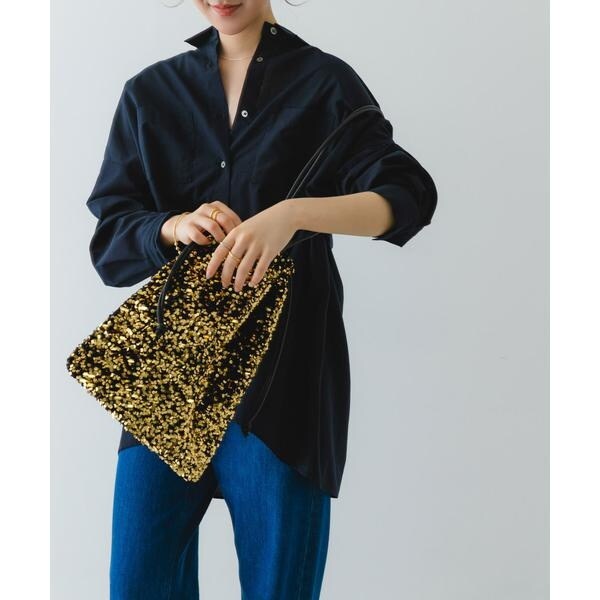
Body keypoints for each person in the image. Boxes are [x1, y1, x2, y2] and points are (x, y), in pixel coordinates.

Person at [86, 1, 438, 598]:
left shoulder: (326, 83)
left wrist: (293, 215)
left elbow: (409, 196)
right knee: (137, 585)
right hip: (172, 371)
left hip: (285, 377)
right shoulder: (151, 91)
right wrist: (172, 226)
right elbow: (111, 242)